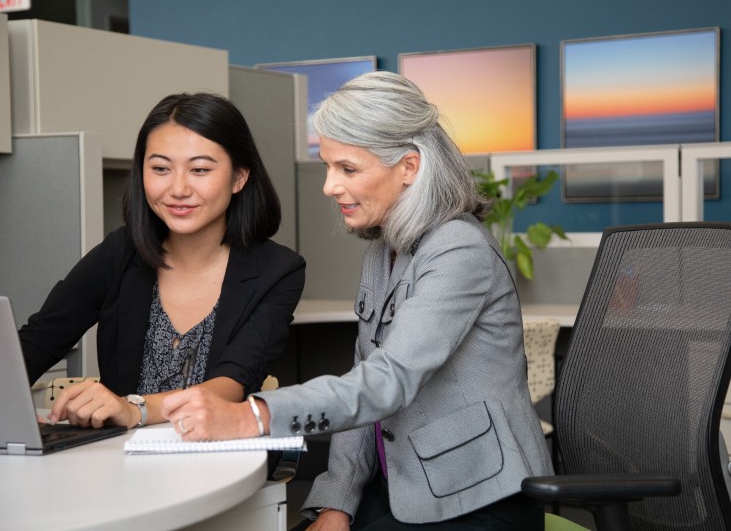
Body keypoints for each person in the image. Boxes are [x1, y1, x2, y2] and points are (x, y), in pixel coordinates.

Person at [161, 72, 553, 530]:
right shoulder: (385, 250)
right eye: (328, 166)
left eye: (347, 169)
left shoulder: (458, 249)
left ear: (408, 167)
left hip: (476, 497)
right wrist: (337, 501)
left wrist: (253, 416)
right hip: (404, 487)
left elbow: (388, 382)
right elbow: (363, 377)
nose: (329, 186)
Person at [20, 92, 305, 431]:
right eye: (160, 169)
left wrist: (134, 409)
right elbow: (36, 343)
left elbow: (231, 383)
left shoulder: (277, 271)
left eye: (199, 169)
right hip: (119, 462)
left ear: (239, 177)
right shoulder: (120, 252)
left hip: (219, 460)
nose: (178, 188)